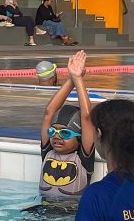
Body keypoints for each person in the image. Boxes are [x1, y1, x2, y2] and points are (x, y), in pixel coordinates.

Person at [37, 50, 95, 203]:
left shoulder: (83, 158)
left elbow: (87, 117)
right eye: (53, 131)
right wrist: (71, 79)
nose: (56, 136)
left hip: (71, 212)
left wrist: (78, 79)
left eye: (65, 133)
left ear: (79, 138)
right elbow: (49, 112)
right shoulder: (48, 151)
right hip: (44, 210)